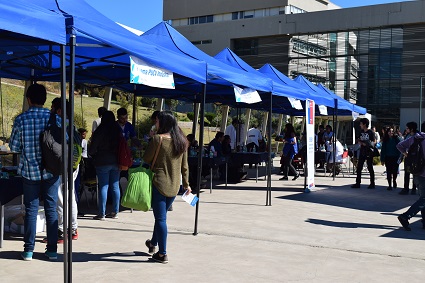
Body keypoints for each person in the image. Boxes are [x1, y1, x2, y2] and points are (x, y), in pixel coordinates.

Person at [9, 83, 61, 261]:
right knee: (51, 209)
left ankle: (29, 251)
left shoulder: (21, 120)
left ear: (28, 99)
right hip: (52, 171)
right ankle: (52, 251)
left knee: (31, 210)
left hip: (29, 171)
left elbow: (14, 147)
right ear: (45, 100)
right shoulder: (54, 118)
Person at [143, 110, 191, 263]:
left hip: (159, 183)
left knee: (161, 219)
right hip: (175, 186)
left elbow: (147, 158)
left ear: (162, 123)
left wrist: (151, 138)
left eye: (157, 121)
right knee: (161, 217)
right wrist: (187, 184)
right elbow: (185, 166)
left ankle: (162, 253)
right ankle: (153, 243)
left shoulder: (157, 139)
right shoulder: (182, 141)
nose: (155, 123)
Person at [49, 98, 79, 242]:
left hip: (62, 165)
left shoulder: (60, 125)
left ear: (59, 110)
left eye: (52, 108)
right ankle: (73, 228)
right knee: (70, 196)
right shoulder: (72, 125)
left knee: (60, 198)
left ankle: (61, 230)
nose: (51, 110)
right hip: (73, 165)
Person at [89, 111, 121, 220]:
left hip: (102, 161)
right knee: (115, 186)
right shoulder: (117, 130)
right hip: (116, 160)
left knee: (103, 186)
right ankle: (115, 212)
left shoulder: (100, 130)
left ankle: (101, 213)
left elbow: (92, 148)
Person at [396, 122, 425, 231]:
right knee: (424, 199)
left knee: (422, 198)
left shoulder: (415, 138)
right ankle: (405, 216)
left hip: (416, 171)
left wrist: (406, 154)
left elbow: (399, 145)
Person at [351, 118, 376, 189]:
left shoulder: (370, 132)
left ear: (364, 124)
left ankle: (372, 183)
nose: (360, 125)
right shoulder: (361, 131)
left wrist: (367, 144)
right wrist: (359, 141)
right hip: (362, 151)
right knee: (359, 167)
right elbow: (357, 138)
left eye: (361, 123)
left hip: (368, 152)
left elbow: (374, 141)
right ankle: (357, 183)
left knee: (370, 167)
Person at [400, 121, 418, 195]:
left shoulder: (418, 136)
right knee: (407, 173)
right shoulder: (407, 136)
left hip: (415, 157)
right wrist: (404, 154)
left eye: (407, 128)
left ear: (412, 129)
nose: (406, 129)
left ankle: (414, 189)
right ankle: (406, 188)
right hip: (408, 157)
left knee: (414, 173)